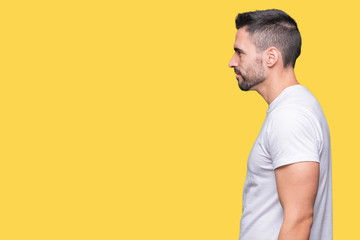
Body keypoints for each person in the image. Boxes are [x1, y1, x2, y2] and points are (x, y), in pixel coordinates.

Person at [228, 9, 332, 240]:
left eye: (239, 52)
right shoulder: (295, 108)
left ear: (271, 57)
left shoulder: (290, 117)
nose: (231, 62)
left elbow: (300, 219)